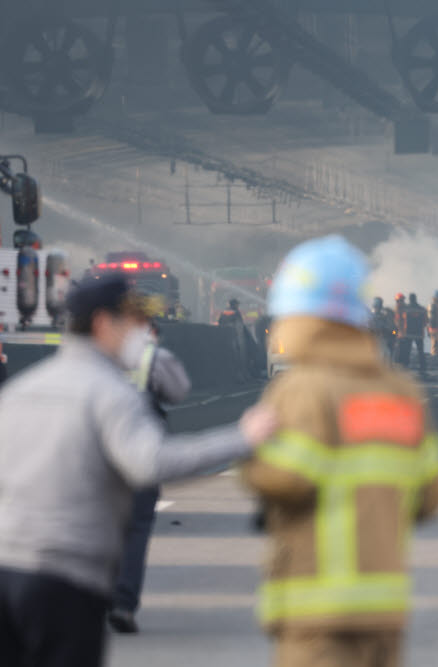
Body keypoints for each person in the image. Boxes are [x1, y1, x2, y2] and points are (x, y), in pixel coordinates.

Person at [0, 275, 276, 667]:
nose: (138, 330)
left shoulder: (22, 391)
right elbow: (151, 462)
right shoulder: (109, 393)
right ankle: (124, 602)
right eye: (129, 320)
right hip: (64, 579)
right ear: (101, 323)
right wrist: (244, 438)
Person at [241, 236, 438, 667]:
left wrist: (249, 450)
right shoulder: (401, 391)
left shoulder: (301, 390)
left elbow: (288, 479)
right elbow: (431, 495)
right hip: (385, 611)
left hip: (317, 609)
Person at [109, 320, 193, 634]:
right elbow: (178, 391)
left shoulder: (98, 356)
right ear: (151, 331)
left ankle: (89, 599)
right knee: (136, 529)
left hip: (97, 456)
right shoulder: (153, 357)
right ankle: (123, 603)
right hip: (142, 455)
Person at [395, 293, 427, 372]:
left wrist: (397, 332)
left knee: (407, 351)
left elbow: (399, 320)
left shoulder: (405, 309)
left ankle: (405, 366)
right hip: (419, 334)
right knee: (421, 351)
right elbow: (426, 321)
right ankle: (423, 367)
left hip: (408, 333)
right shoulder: (422, 309)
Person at [370, 296, 397, 361]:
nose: (377, 308)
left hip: (383, 339)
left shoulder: (385, 316)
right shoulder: (372, 316)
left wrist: (393, 333)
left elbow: (393, 330)